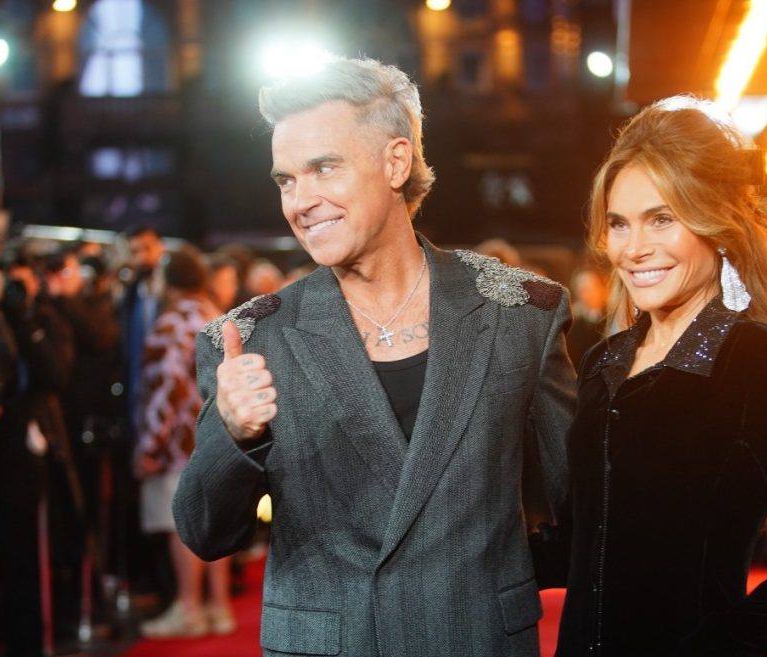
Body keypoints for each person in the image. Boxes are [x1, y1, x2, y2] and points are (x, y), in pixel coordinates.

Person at [172, 56, 575, 656]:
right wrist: (236, 435)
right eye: (286, 180)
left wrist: (494, 578)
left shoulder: (520, 315)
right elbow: (206, 532)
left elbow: (583, 513)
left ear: (395, 161)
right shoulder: (249, 339)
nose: (300, 201)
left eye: (323, 168)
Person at [554, 97, 767, 657]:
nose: (634, 248)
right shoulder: (605, 361)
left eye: (662, 219)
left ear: (715, 224)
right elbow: (584, 539)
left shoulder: (759, 361)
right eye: (619, 224)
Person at [135, 248, 236, 638]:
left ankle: (189, 608)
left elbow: (165, 391)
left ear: (169, 280)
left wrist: (149, 446)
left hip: (181, 444)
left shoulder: (171, 322)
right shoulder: (212, 312)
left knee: (183, 525)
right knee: (214, 519)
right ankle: (220, 607)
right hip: (218, 436)